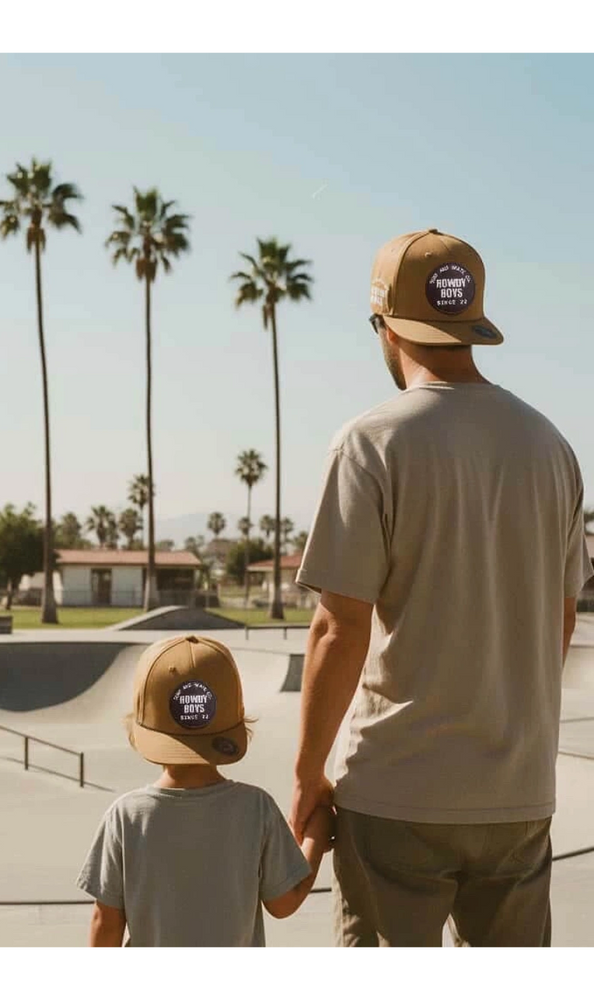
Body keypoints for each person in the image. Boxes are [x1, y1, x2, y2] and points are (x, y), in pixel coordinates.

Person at [289, 228, 594, 950]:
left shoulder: (370, 442)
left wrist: (307, 775)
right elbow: (559, 622)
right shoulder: (552, 448)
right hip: (516, 797)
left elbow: (339, 628)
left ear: (385, 326)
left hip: (397, 796)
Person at [77, 633, 334, 950]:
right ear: (236, 720)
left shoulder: (126, 817)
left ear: (142, 726)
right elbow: (284, 903)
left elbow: (106, 924)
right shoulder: (255, 808)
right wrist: (316, 837)